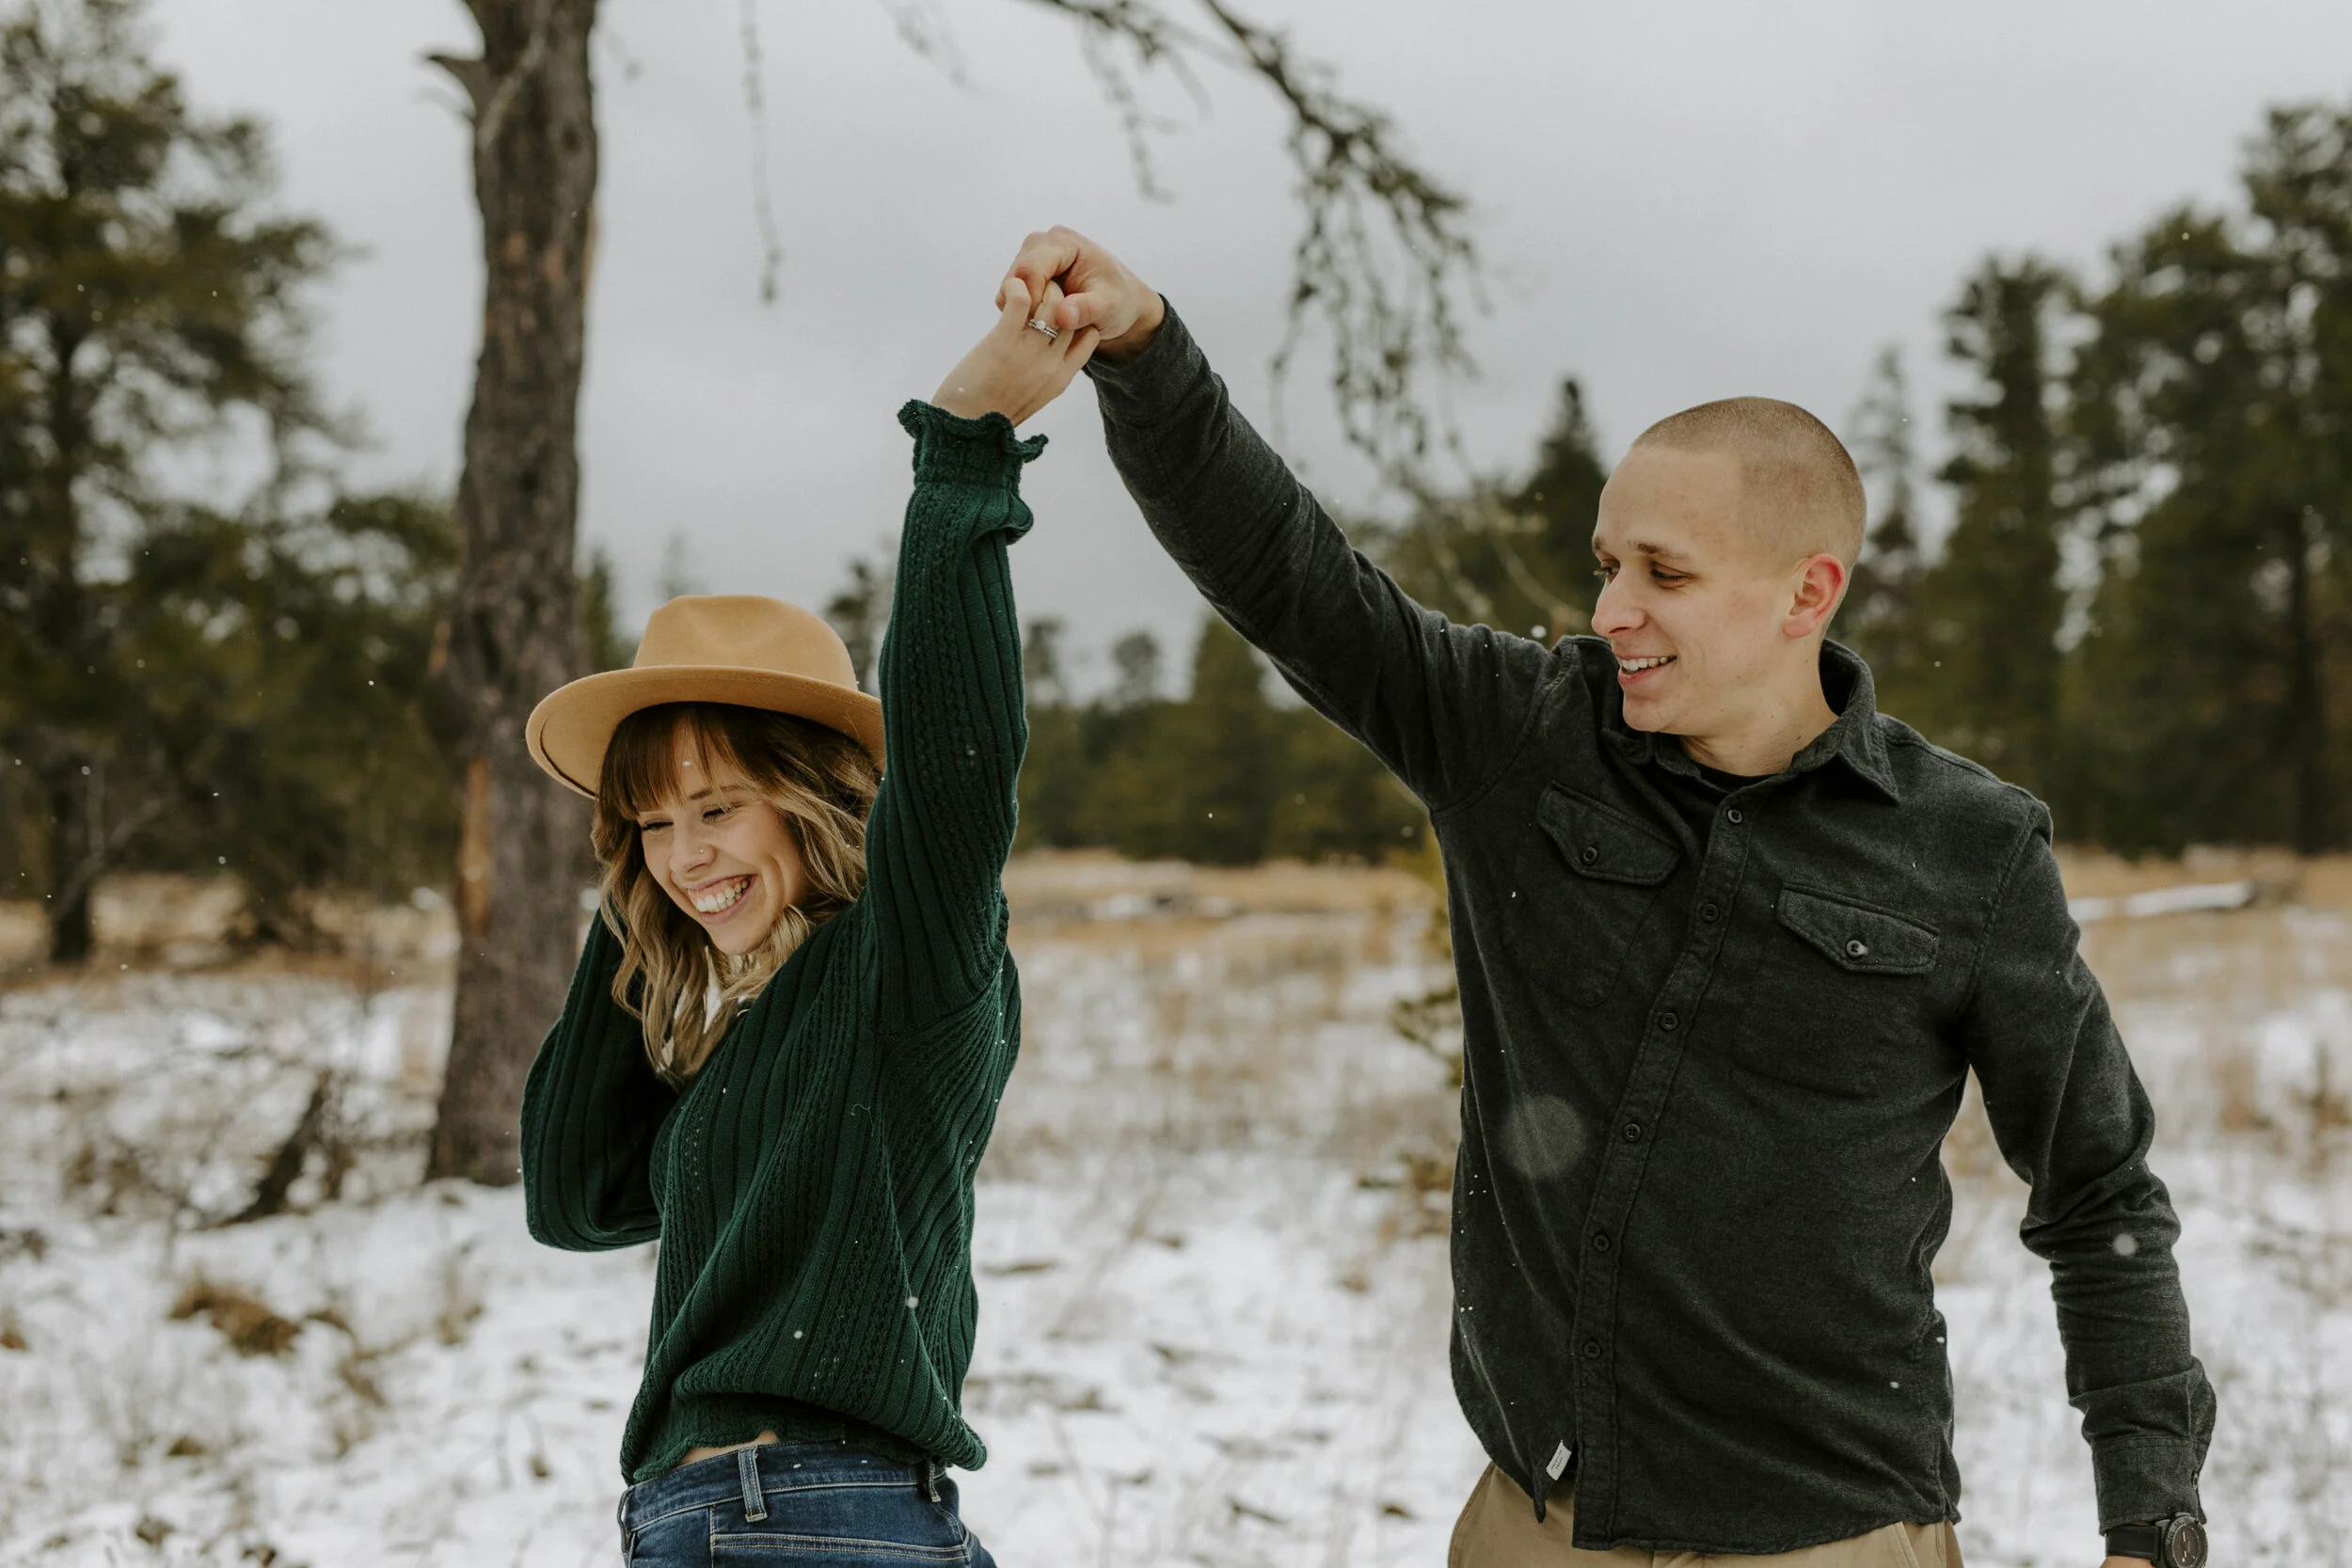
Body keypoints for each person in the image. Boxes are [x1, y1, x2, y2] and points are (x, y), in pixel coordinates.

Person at [994, 228, 2215, 1568]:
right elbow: (1291, 576)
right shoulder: (1521, 739)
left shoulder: (1969, 848)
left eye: (1666, 573)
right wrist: (1150, 355)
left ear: (1809, 592)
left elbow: (2099, 1189)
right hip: (1537, 1523)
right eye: (1608, 563)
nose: (1614, 608)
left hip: (1827, 1535)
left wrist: (2149, 1521)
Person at [516, 279, 1101, 1565]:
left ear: (814, 800)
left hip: (802, 1520)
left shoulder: (897, 970)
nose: (686, 855)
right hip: (761, 1520)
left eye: (720, 806)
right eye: (652, 823)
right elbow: (575, 1193)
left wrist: (964, 448)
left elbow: (955, 764)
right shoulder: (750, 1038)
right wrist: (637, 896)